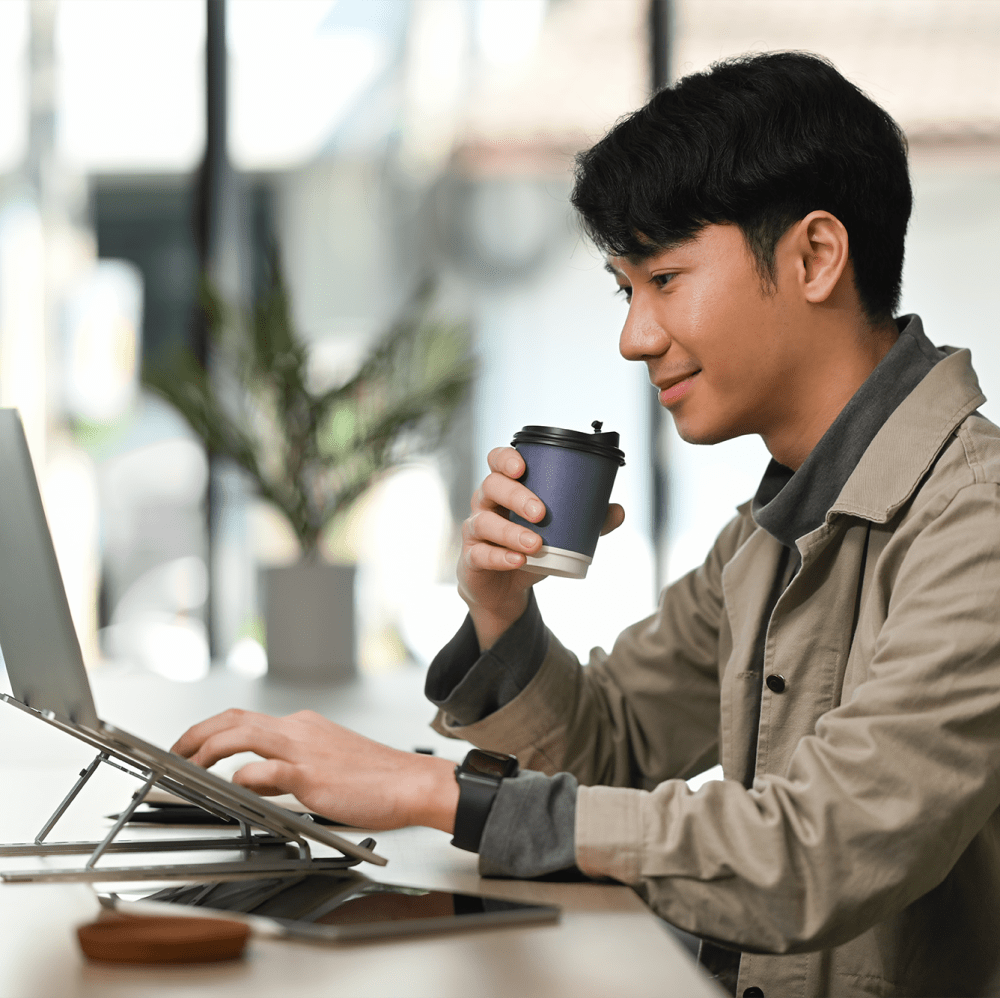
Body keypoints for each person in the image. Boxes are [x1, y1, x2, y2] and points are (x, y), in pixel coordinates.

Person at [172, 52, 1000, 998]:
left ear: (814, 257)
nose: (634, 336)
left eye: (666, 278)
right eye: (625, 289)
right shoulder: (775, 528)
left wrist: (427, 789)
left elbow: (821, 851)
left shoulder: (975, 521)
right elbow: (619, 749)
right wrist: (498, 608)